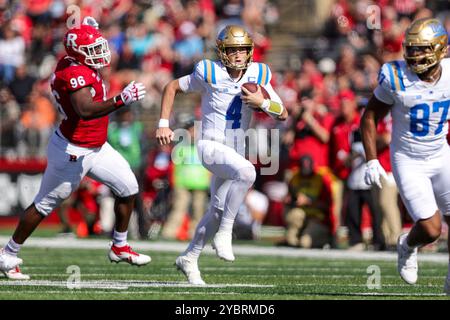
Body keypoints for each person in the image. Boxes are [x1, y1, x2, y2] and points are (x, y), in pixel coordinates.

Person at [0, 18, 150, 280]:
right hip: (73, 150)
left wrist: (87, 28)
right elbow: (85, 110)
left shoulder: (72, 62)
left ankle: (120, 245)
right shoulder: (73, 74)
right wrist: (121, 98)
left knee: (129, 188)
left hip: (97, 147)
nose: (100, 53)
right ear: (78, 53)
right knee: (44, 206)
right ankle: (8, 254)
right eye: (92, 49)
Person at [156, 25, 287, 285]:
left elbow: (282, 113)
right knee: (248, 172)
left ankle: (189, 257)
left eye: (242, 49)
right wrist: (162, 123)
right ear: (222, 51)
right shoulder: (208, 71)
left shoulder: (258, 73)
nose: (238, 55)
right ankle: (226, 232)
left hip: (235, 149)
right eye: (232, 49)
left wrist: (263, 104)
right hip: (210, 145)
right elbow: (172, 87)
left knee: (216, 211)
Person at [361, 18, 450, 293]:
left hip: (440, 153)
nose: (415, 55)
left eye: (422, 49)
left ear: (440, 49)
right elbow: (370, 117)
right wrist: (372, 158)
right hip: (408, 159)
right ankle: (407, 244)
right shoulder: (395, 76)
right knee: (432, 228)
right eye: (411, 48)